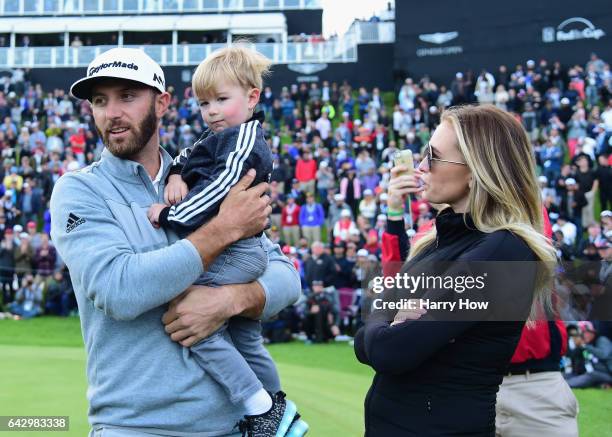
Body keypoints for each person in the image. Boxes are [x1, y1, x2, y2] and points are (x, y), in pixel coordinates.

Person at [52, 47, 302, 436]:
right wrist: (223, 230)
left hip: (234, 427)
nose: (112, 112)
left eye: (127, 96)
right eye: (100, 101)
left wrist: (230, 300)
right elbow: (119, 290)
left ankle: (270, 406)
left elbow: (286, 277)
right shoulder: (79, 190)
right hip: (134, 427)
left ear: (163, 102)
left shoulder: (207, 176)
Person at [354, 105, 557, 435]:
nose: (420, 167)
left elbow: (390, 352)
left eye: (432, 157)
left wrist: (382, 320)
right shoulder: (436, 241)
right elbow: (368, 332)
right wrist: (385, 318)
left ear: (476, 169)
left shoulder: (505, 252)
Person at [146, 45, 306, 435]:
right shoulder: (219, 135)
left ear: (252, 97)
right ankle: (279, 413)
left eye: (221, 100)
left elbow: (219, 187)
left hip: (237, 252)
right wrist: (177, 175)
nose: (212, 111)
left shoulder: (246, 141)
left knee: (193, 320)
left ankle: (259, 404)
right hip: (235, 249)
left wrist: (170, 214)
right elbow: (190, 153)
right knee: (246, 338)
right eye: (204, 103)